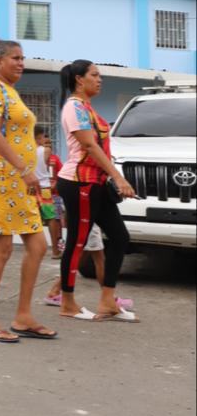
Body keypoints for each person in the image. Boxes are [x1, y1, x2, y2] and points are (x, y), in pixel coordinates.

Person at [0, 39, 57, 343]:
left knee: (37, 246)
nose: (22, 63)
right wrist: (25, 170)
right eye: (16, 58)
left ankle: (23, 316)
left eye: (23, 58)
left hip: (20, 182)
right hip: (1, 177)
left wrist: (27, 174)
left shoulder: (11, 92)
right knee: (2, 250)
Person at [56, 60, 138, 322]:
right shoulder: (75, 108)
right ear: (80, 80)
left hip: (96, 184)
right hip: (79, 183)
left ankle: (107, 301)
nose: (99, 79)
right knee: (77, 243)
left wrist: (110, 177)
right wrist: (119, 178)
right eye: (95, 75)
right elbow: (90, 147)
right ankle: (67, 302)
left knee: (120, 237)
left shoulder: (87, 107)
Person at [44, 224, 135, 311]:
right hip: (90, 222)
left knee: (83, 257)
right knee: (99, 258)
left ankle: (54, 291)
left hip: (89, 222)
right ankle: (110, 298)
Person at [34, 125, 62, 259]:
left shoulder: (25, 151)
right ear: (40, 137)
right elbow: (48, 163)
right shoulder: (46, 151)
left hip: (31, 188)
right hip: (45, 187)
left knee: (34, 219)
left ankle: (34, 249)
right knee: (51, 218)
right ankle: (55, 250)